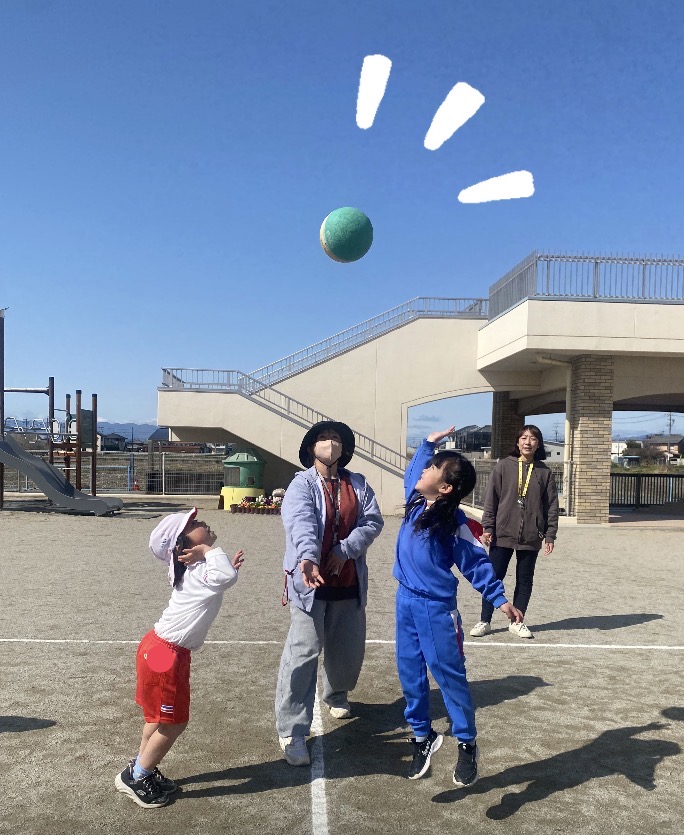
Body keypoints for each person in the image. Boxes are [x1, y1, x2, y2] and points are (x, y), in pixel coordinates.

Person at [395, 427, 522, 788]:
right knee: (410, 673)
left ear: (446, 487)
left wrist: (499, 599)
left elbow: (476, 564)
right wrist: (428, 445)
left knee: (449, 676)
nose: (424, 470)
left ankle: (467, 744)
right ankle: (422, 737)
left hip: (436, 610)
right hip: (405, 602)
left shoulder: (454, 523)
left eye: (433, 468)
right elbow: (413, 472)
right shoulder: (415, 501)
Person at [115, 508, 244, 809]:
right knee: (174, 723)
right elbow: (223, 577)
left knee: (159, 718)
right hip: (165, 653)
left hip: (161, 649)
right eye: (194, 524)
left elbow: (222, 577)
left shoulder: (195, 569)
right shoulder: (200, 567)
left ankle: (140, 768)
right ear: (183, 547)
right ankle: (139, 776)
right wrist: (210, 552)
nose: (202, 523)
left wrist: (216, 560)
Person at [275, 420, 384, 766]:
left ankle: (337, 693)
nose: (330, 443)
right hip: (310, 583)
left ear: (344, 449)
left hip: (348, 580)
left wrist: (345, 549)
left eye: (336, 438)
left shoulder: (358, 483)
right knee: (304, 652)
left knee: (347, 649)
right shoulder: (301, 484)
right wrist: (308, 558)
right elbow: (301, 522)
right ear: (311, 448)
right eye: (323, 438)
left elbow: (373, 521)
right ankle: (292, 730)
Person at [470, 424, 559, 640]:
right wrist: (488, 527)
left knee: (525, 579)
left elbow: (551, 506)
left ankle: (517, 622)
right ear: (517, 442)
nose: (528, 442)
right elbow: (491, 500)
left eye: (533, 438)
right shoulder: (503, 466)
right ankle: (485, 620)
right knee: (494, 577)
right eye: (524, 438)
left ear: (538, 444)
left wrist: (550, 534)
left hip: (531, 535)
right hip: (502, 533)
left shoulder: (544, 472)